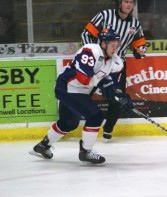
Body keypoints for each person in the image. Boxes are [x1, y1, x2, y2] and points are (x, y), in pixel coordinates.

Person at [29, 28, 134, 165]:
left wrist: (121, 97)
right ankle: (86, 152)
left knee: (68, 123)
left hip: (81, 92)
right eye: (112, 45)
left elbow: (113, 86)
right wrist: (105, 84)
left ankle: (43, 146)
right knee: (96, 117)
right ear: (103, 43)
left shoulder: (117, 63)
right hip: (66, 87)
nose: (115, 48)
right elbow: (83, 78)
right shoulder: (90, 50)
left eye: (117, 45)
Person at [81, 0, 146, 142]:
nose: (128, 5)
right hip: (97, 64)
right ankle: (67, 122)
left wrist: (140, 51)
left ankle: (108, 129)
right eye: (125, 1)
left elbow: (140, 45)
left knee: (117, 98)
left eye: (131, 2)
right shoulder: (105, 16)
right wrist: (93, 54)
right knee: (82, 94)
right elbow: (86, 34)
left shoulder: (134, 25)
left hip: (117, 66)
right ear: (120, 3)